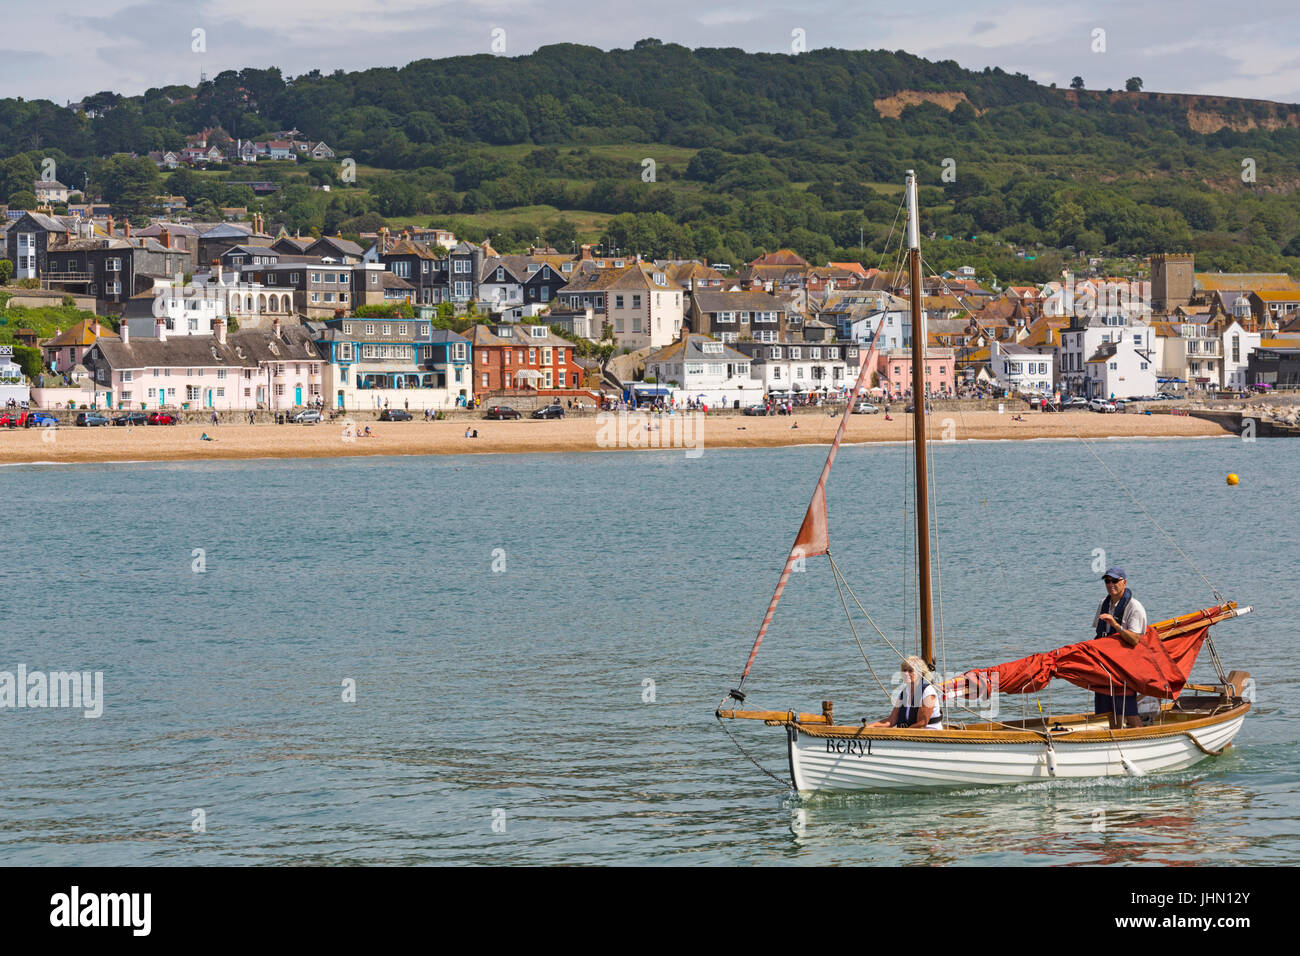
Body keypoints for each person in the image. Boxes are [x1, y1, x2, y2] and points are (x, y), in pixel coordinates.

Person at [1093, 566, 1147, 729]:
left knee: (1128, 710)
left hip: (1125, 666)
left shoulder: (1134, 607)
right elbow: (1099, 634)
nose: (1111, 584)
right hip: (1106, 664)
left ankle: (1142, 740)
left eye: (1115, 581)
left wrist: (1116, 625)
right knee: (1109, 710)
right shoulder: (1104, 603)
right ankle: (1115, 738)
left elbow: (1135, 639)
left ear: (1124, 582)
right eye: (1107, 581)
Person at [868, 656, 943, 729]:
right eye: (904, 670)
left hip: (928, 735)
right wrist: (870, 727)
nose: (906, 673)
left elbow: (922, 724)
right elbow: (892, 720)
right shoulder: (904, 692)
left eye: (910, 671)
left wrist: (901, 734)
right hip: (908, 734)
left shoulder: (928, 692)